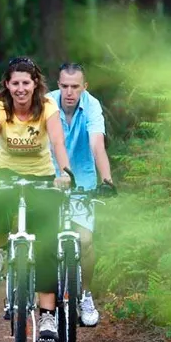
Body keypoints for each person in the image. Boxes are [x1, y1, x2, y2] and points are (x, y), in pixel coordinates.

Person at [0, 57, 73, 342]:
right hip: (5, 171)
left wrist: (64, 173)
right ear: (7, 84)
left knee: (44, 245)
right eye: (15, 83)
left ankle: (46, 315)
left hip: (41, 175)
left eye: (26, 83)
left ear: (35, 85)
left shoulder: (47, 108)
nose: (20, 89)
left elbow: (57, 142)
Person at [47, 62, 116, 327]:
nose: (69, 92)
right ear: (58, 85)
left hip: (82, 181)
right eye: (64, 86)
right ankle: (48, 304)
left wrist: (106, 181)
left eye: (75, 86)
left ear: (84, 87)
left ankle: (86, 294)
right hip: (50, 177)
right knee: (47, 242)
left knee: (85, 241)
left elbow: (97, 145)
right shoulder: (46, 104)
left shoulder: (93, 106)